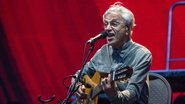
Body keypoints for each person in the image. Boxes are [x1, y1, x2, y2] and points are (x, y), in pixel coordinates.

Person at [73, 2, 152, 104]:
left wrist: (113, 94)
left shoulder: (142, 55)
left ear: (127, 29)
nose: (107, 28)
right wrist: (77, 87)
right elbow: (78, 75)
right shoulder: (103, 52)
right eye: (106, 24)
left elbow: (132, 95)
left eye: (114, 24)